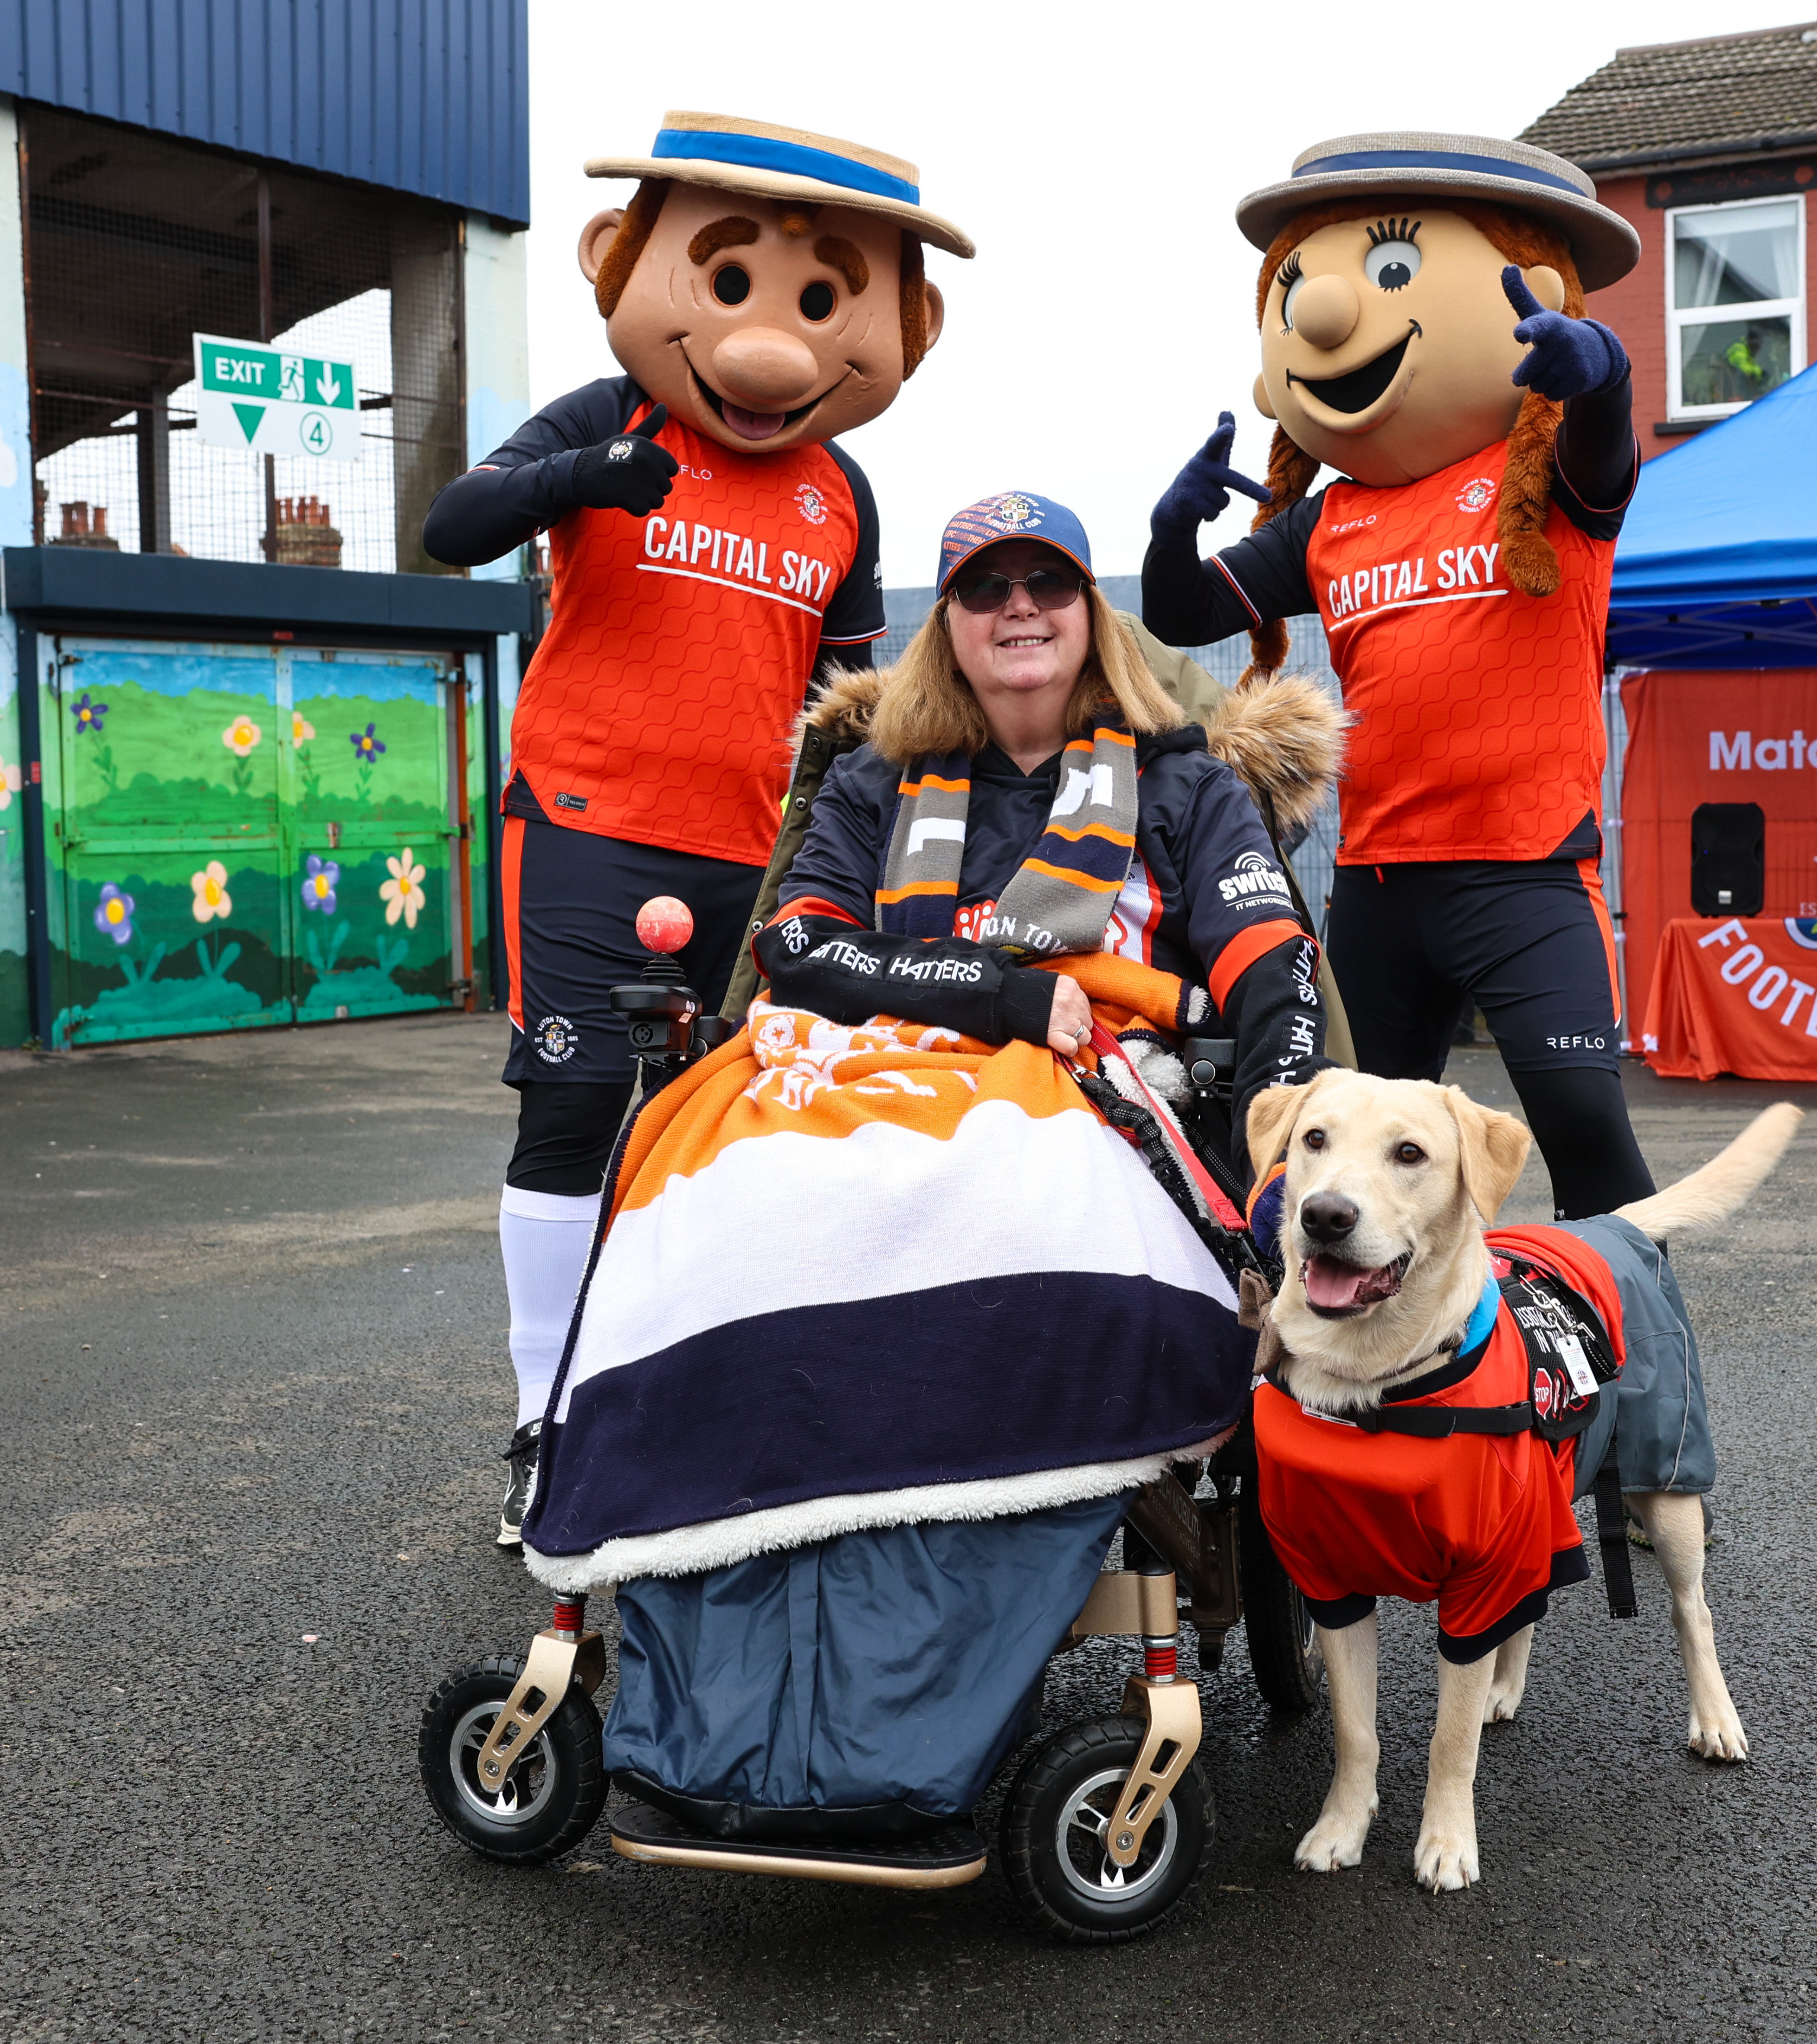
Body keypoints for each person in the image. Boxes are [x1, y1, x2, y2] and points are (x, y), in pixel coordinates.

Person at [418, 114, 968, 1541]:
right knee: (575, 1108)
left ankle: (673, 1396)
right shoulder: (608, 414)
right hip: (588, 819)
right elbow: (449, 524)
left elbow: (849, 701)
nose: (769, 347)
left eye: (821, 302)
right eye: (730, 288)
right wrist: (572, 483)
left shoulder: (840, 490)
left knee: (711, 1128)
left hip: (744, 852)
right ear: (630, 266)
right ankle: (545, 1421)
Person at [1140, 133, 1657, 1217]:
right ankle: (1386, 1361)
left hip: (1523, 868)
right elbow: (1183, 612)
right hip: (1378, 882)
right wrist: (1168, 533)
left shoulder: (1542, 475)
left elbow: (1606, 442)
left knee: (1580, 1127)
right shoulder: (1333, 516)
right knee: (1358, 1154)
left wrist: (1598, 370)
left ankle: (1634, 1369)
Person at [756, 491, 1331, 1116]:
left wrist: (1277, 1144)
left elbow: (1271, 972)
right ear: (945, 624)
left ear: (1091, 614)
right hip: (889, 1100)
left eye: (1049, 581)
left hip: (1119, 1115)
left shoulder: (1187, 783)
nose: (1020, 604)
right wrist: (996, 992)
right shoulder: (868, 781)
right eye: (983, 587)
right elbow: (799, 949)